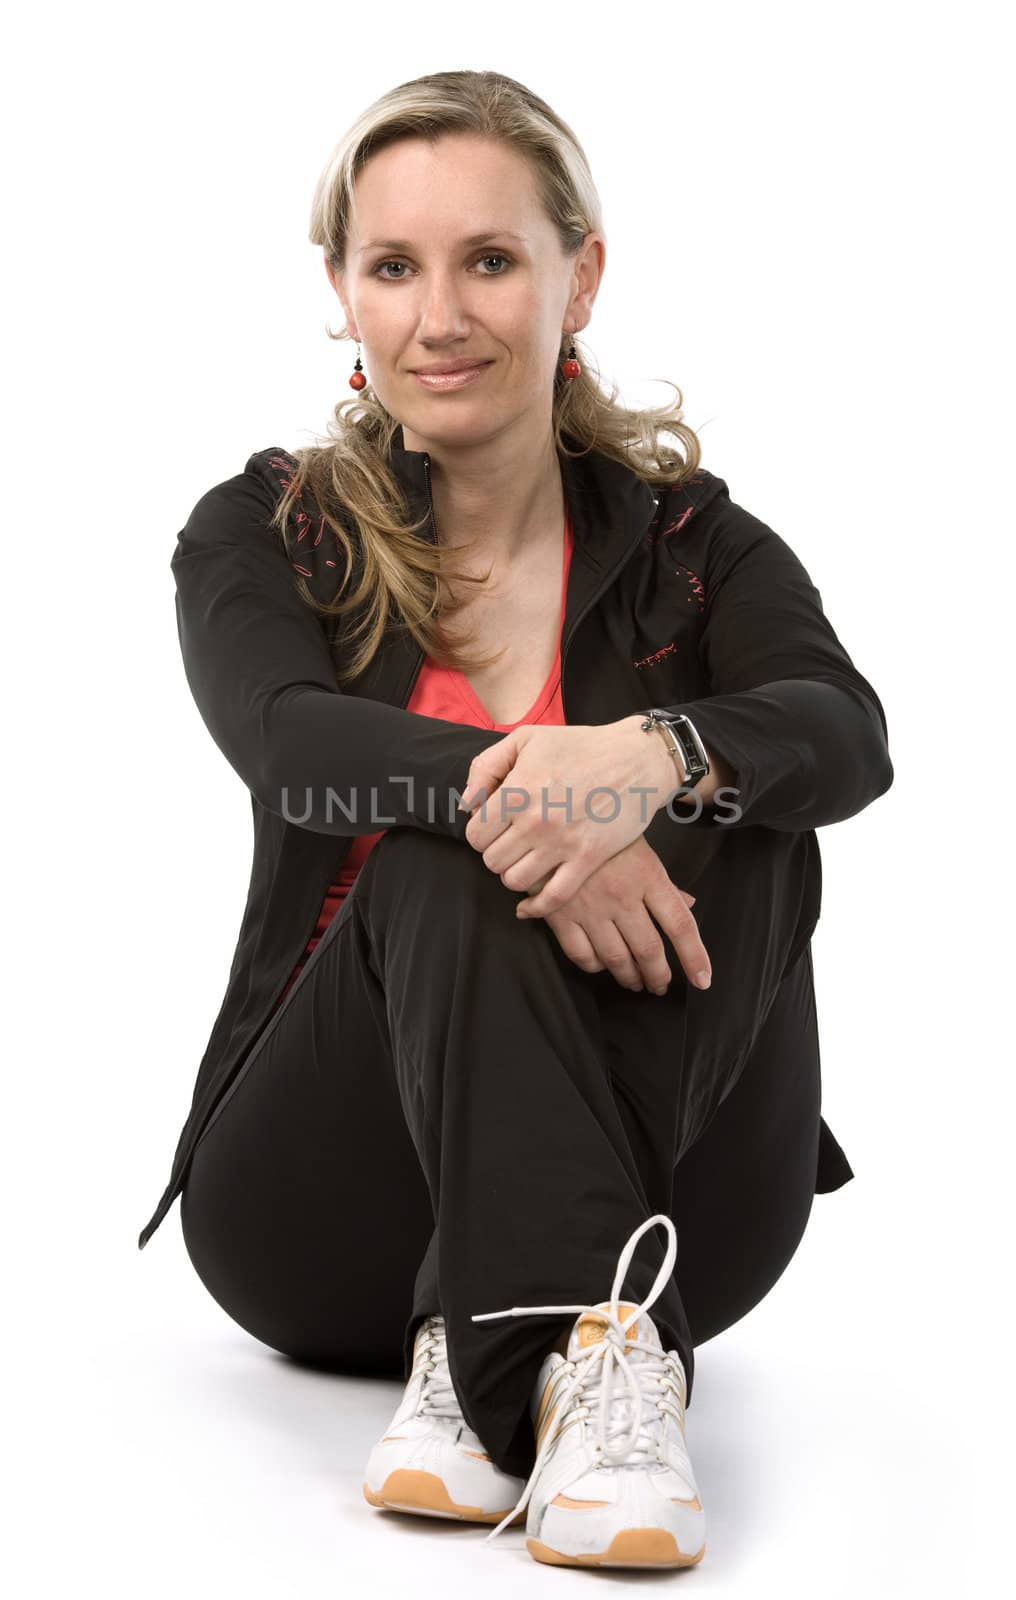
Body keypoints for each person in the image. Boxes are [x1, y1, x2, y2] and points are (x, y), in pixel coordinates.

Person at [138, 69, 894, 1571]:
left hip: (678, 1190)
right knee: (441, 850)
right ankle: (554, 1343)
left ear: (580, 276)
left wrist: (655, 757)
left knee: (744, 793)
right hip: (322, 1205)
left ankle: (506, 1349)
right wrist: (545, 786)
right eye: (393, 267)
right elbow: (290, 747)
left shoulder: (699, 550)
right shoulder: (272, 527)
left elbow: (845, 733)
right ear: (344, 294)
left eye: (490, 260)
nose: (442, 317)